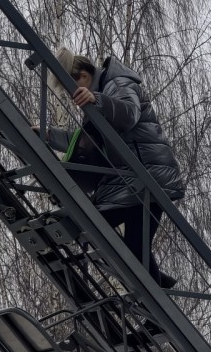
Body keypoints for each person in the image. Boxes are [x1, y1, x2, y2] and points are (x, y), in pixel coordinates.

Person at [42, 47, 185, 288]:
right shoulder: (101, 96)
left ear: (84, 77)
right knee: (131, 246)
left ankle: (156, 290)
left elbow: (129, 114)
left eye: (72, 90)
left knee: (97, 228)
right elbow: (90, 143)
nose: (73, 98)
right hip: (132, 180)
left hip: (145, 177)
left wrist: (97, 100)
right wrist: (49, 135)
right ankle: (158, 285)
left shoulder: (116, 84)